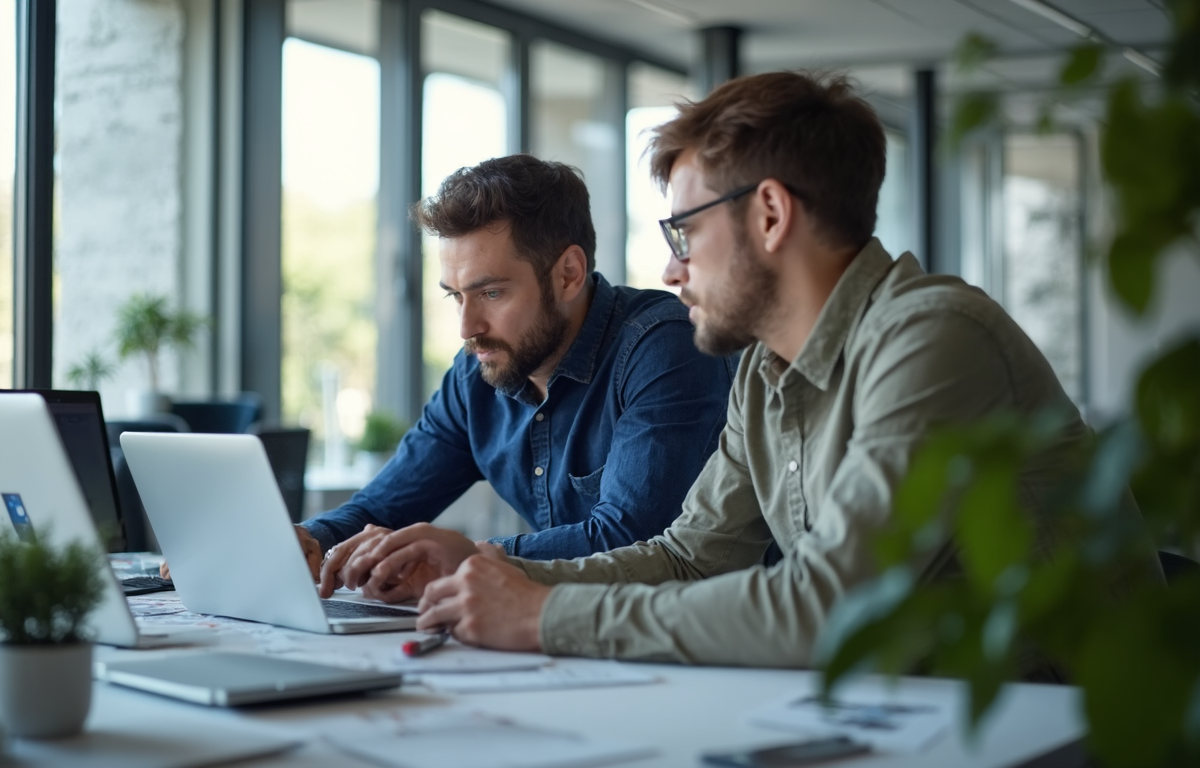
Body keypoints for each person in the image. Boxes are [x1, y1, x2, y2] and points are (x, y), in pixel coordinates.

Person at [326, 70, 1146, 671]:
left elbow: (830, 605)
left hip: (1066, 727)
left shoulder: (932, 339)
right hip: (917, 713)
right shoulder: (765, 373)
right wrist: (491, 573)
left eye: (684, 233)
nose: (671, 268)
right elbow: (689, 556)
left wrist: (543, 616)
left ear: (771, 214)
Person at [298, 154, 737, 600]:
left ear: (568, 274)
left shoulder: (665, 346)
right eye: (456, 296)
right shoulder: (476, 372)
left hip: (698, 632)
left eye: (491, 293)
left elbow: (631, 540)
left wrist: (468, 557)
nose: (467, 328)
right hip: (562, 628)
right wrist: (309, 540)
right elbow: (380, 508)